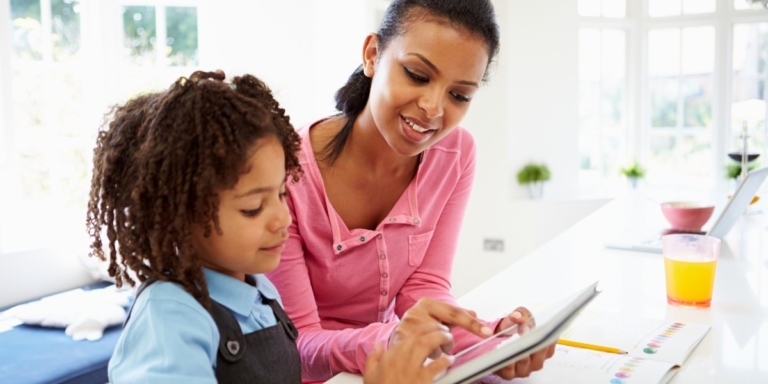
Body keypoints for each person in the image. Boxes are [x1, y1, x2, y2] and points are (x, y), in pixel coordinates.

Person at [85, 70, 495, 383]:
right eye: (252, 208)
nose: (283, 218)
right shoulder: (169, 318)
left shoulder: (260, 293)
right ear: (177, 214)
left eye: (281, 194)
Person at [266, 0, 556, 382]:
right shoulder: (283, 171)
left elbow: (424, 287)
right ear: (372, 55)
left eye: (459, 95)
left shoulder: (456, 154)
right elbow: (296, 345)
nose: (433, 108)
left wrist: (492, 339)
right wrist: (391, 340)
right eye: (418, 75)